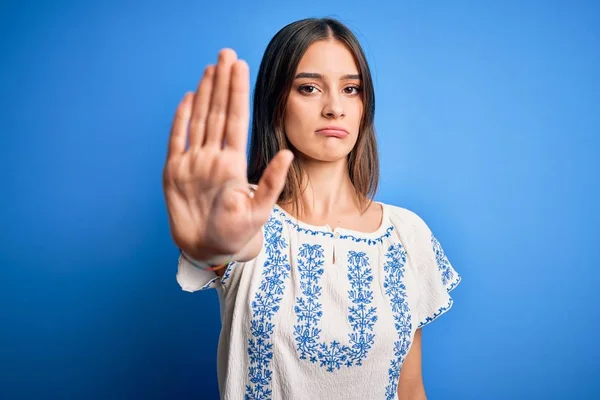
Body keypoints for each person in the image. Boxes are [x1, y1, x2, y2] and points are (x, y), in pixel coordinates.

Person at [162, 17, 461, 400]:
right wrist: (209, 246)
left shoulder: (407, 233)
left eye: (351, 89)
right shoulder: (243, 215)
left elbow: (411, 389)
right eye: (309, 88)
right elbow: (223, 247)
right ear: (275, 103)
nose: (335, 108)